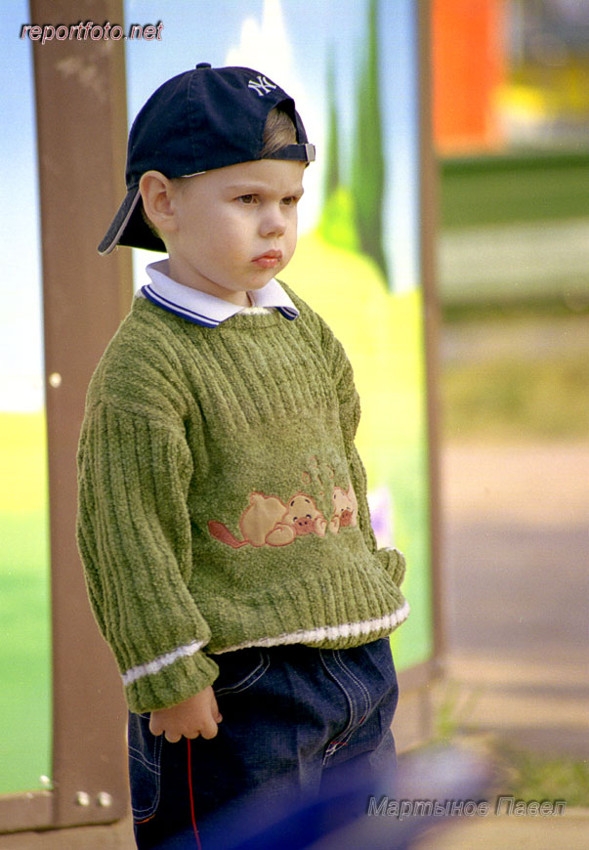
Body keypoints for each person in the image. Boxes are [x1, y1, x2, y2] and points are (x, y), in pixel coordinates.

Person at [77, 63, 409, 849]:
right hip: (239, 688)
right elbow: (128, 537)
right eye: (248, 199)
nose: (276, 225)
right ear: (162, 201)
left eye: (289, 201)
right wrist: (169, 675)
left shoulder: (303, 328)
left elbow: (340, 461)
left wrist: (370, 571)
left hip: (357, 661)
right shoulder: (146, 366)